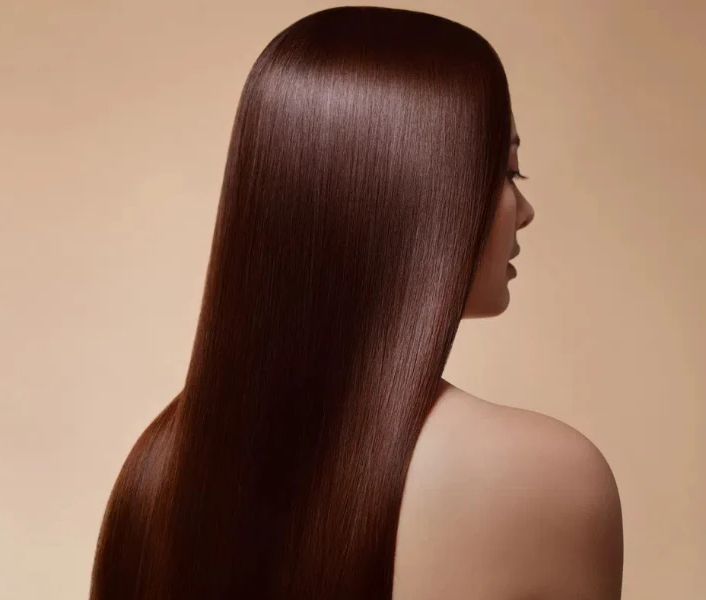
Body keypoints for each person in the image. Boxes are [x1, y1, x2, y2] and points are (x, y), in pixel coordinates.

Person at [91, 6, 623, 600]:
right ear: (414, 190)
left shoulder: (154, 472)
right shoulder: (538, 474)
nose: (523, 211)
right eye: (507, 171)